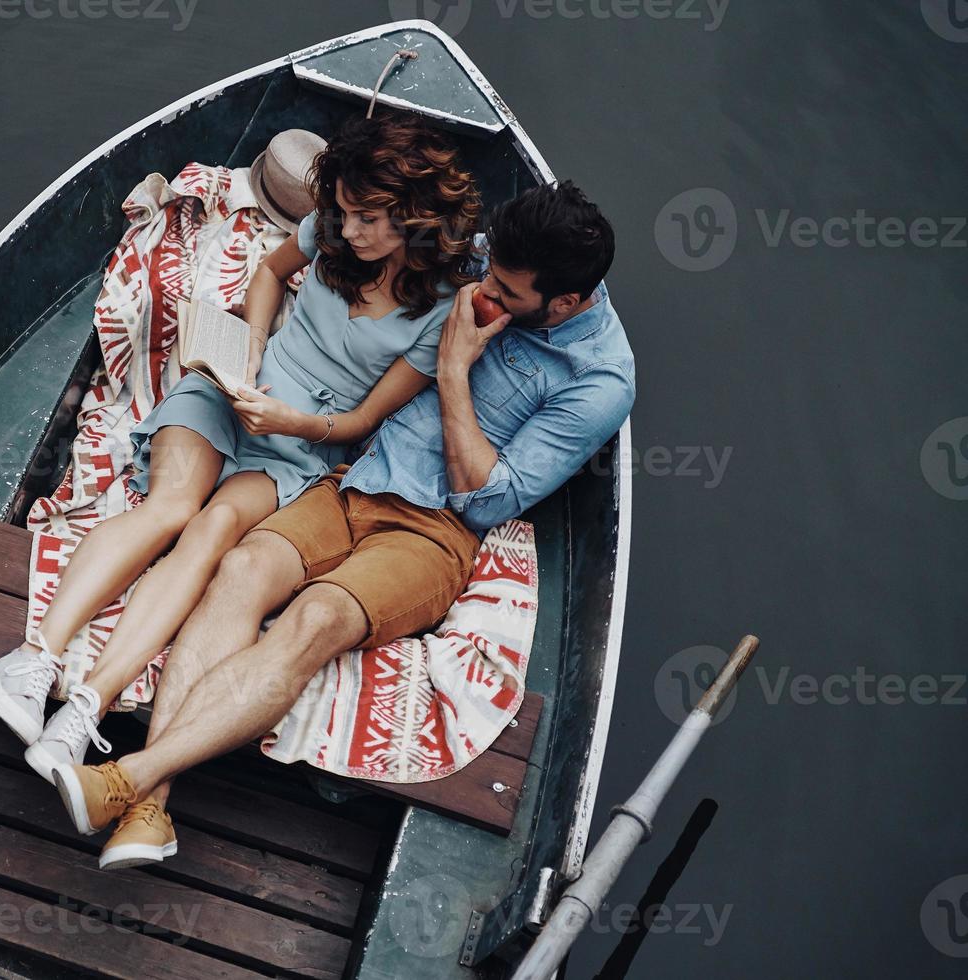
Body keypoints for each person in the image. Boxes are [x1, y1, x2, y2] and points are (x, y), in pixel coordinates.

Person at [49, 179, 637, 871]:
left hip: (433, 532)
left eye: (507, 294)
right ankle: (151, 811)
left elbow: (488, 500)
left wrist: (453, 373)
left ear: (563, 302)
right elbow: (389, 239)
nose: (487, 294)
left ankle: (128, 780)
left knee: (316, 619)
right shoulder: (485, 260)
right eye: (490, 277)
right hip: (352, 479)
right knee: (239, 569)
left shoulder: (599, 381)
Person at [0, 113, 485, 787]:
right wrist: (249, 348)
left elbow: (364, 419)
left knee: (213, 528)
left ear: (418, 215)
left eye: (370, 219)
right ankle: (32, 658)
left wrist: (290, 421)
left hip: (300, 444)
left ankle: (84, 707)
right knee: (171, 509)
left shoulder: (440, 307)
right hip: (236, 386)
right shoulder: (333, 229)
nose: (352, 231)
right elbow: (269, 278)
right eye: (344, 214)